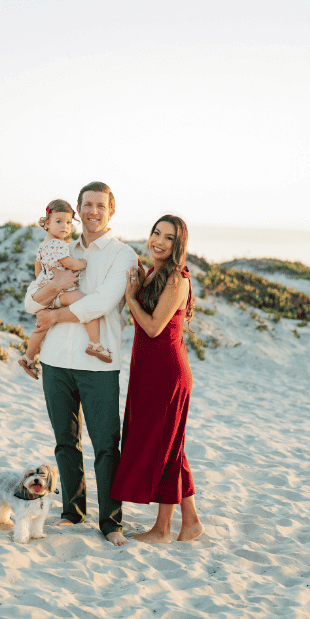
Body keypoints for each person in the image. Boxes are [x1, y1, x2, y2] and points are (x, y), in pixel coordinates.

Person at [28, 181, 138, 545]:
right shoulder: (59, 246)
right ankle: (72, 513)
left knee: (106, 445)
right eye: (87, 204)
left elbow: (102, 303)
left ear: (111, 210)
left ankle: (111, 522)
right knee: (65, 442)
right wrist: (52, 288)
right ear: (77, 210)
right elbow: (31, 301)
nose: (93, 211)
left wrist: (53, 313)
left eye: (100, 205)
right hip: (56, 360)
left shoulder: (123, 255)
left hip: (99, 365)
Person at [111, 215, 204, 543]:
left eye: (169, 238)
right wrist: (137, 287)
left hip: (166, 373)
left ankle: (163, 529)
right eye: (156, 233)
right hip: (148, 371)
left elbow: (152, 327)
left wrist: (131, 296)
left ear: (178, 245)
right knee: (171, 443)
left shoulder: (176, 279)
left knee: (167, 445)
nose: (159, 241)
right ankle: (190, 522)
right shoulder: (154, 272)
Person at [19, 198, 111, 382]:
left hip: (47, 292)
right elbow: (69, 263)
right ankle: (95, 344)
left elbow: (37, 269)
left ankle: (28, 357)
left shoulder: (43, 245)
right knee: (87, 304)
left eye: (68, 222)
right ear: (47, 223)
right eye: (59, 221)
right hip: (61, 292)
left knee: (40, 327)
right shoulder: (58, 244)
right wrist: (82, 263)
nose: (64, 226)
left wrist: (46, 282)